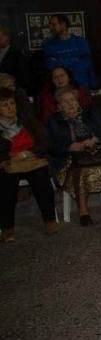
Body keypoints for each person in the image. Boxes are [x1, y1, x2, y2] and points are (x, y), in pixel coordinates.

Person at [47, 87, 101, 225]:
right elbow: (50, 146)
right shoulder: (53, 121)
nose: (70, 104)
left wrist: (96, 139)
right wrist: (70, 147)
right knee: (80, 171)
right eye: (65, 102)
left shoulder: (90, 113)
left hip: (95, 151)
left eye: (72, 100)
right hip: (69, 158)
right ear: (59, 106)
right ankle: (83, 211)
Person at [0, 86, 57, 241]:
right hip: (10, 163)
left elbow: (45, 141)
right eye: (5, 105)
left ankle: (49, 220)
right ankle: (7, 228)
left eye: (12, 103)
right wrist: (10, 156)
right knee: (6, 185)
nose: (10, 108)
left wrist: (30, 152)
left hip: (33, 159)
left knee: (41, 179)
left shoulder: (27, 121)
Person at [42, 14, 96, 90]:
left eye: (53, 24)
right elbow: (51, 65)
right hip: (61, 89)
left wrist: (60, 62)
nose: (50, 28)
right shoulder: (49, 45)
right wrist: (76, 61)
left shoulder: (80, 42)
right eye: (50, 25)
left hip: (82, 87)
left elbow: (86, 64)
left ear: (63, 24)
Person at [0, 25, 30, 91]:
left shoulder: (17, 55)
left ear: (7, 37)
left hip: (11, 91)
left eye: (0, 37)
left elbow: (23, 77)